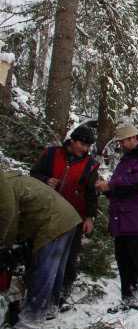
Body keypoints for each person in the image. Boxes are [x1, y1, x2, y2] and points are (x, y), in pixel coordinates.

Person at [0, 168, 81, 329]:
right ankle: (49, 306)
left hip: (53, 222)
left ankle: (31, 323)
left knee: (43, 271)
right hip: (66, 217)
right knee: (54, 270)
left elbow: (9, 221)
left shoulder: (4, 190)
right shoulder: (11, 181)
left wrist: (4, 248)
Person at [95, 122, 138, 318]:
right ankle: (129, 297)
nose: (120, 145)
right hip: (123, 216)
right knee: (124, 259)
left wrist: (111, 186)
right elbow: (122, 184)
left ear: (133, 138)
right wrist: (109, 190)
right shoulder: (128, 158)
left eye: (123, 141)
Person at [30, 124, 99, 309]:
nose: (85, 149)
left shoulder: (91, 165)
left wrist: (89, 217)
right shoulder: (52, 154)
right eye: (82, 145)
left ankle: (61, 292)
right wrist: (45, 180)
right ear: (72, 141)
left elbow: (92, 193)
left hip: (74, 216)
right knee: (42, 254)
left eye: (88, 146)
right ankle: (37, 289)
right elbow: (33, 174)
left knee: (69, 257)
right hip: (47, 213)